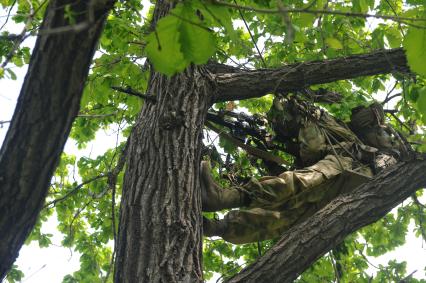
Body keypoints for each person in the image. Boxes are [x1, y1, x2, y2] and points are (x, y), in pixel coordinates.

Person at [202, 96, 408, 244]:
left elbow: (382, 172)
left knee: (284, 210)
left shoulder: (371, 153)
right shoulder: (345, 133)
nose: (386, 136)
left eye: (390, 138)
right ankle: (220, 215)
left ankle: (221, 210)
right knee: (284, 209)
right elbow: (314, 149)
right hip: (338, 187)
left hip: (343, 185)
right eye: (383, 132)